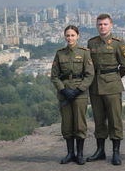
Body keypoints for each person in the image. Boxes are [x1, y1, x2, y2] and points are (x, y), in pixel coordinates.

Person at [86, 13, 125, 165]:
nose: (102, 27)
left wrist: (115, 76)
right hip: (95, 85)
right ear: (96, 26)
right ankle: (100, 151)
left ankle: (116, 152)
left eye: (105, 24)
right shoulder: (91, 43)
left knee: (114, 119)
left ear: (111, 25)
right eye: (100, 24)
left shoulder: (119, 43)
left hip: (112, 85)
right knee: (98, 120)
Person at [51, 25, 94, 165]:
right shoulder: (60, 53)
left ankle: (80, 154)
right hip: (64, 93)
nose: (70, 38)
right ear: (64, 36)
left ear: (78, 36)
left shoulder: (84, 53)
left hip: (79, 94)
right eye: (67, 35)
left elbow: (89, 75)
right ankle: (70, 153)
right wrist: (63, 90)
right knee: (67, 124)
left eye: (72, 35)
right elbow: (54, 76)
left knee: (80, 124)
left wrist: (78, 90)